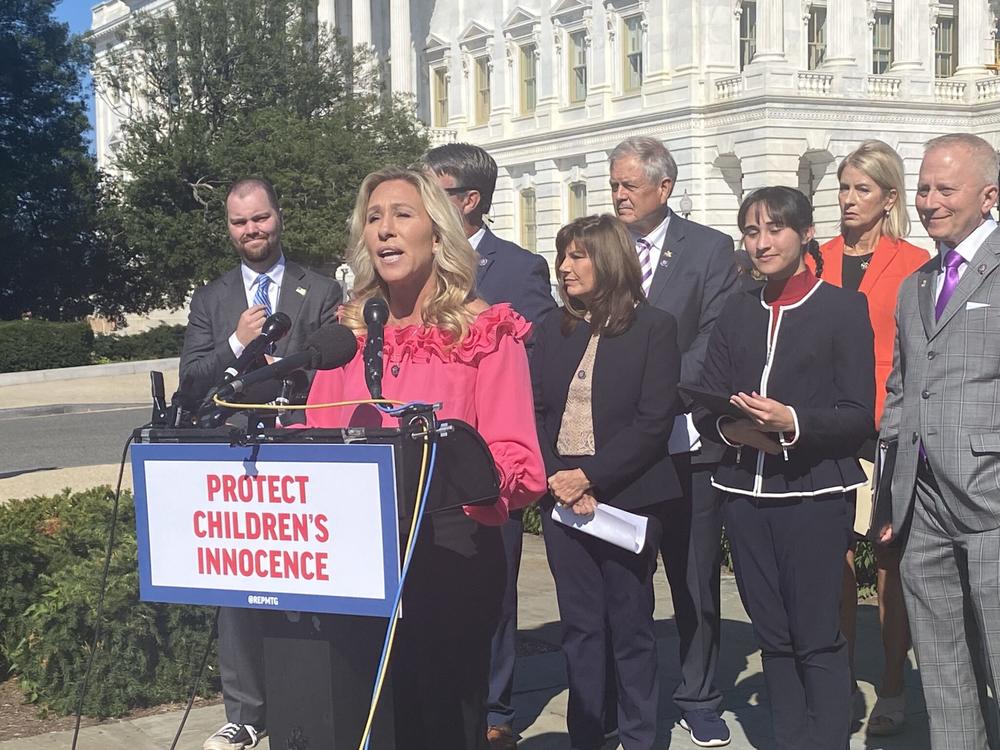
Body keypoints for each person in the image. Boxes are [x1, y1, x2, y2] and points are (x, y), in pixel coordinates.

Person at [304, 166, 547, 749]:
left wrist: (465, 477)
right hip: (358, 557)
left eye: (401, 215)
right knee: (368, 720)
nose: (385, 230)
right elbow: (314, 434)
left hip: (449, 553)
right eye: (373, 218)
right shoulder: (347, 334)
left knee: (439, 724)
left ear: (437, 234)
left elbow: (519, 460)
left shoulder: (486, 331)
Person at [696, 186, 875, 750]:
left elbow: (856, 415)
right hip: (743, 495)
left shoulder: (842, 308)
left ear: (804, 234)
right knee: (773, 637)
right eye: (751, 231)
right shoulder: (735, 309)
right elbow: (707, 403)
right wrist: (737, 429)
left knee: (817, 637)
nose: (762, 242)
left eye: (774, 229)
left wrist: (791, 420)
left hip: (814, 494)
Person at [179, 177, 342, 750]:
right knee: (238, 581)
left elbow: (336, 370)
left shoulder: (320, 290)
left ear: (278, 216)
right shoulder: (212, 299)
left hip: (302, 452)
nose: (251, 230)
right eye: (239, 222)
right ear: (229, 227)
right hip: (234, 457)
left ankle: (310, 700)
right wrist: (233, 343)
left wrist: (284, 367)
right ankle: (245, 713)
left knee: (305, 577)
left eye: (260, 219)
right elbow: (192, 379)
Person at [421, 142, 555, 749]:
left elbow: (533, 354)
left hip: (488, 458)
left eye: (434, 192)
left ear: (468, 201)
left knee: (494, 590)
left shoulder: (518, 268)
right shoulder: (414, 266)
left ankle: (496, 704)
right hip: (422, 461)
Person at [531, 214, 681, 750]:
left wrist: (590, 477)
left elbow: (653, 421)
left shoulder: (654, 327)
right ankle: (588, 733)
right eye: (562, 255)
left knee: (630, 624)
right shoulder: (553, 327)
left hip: (628, 496)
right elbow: (540, 410)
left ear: (610, 260)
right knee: (580, 626)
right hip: (562, 498)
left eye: (578, 256)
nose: (565, 267)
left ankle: (640, 736)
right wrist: (560, 477)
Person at [608, 136, 738, 748]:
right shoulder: (603, 247)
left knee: (693, 577)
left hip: (688, 439)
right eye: (614, 184)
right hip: (618, 440)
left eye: (629, 184)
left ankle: (699, 694)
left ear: (665, 187)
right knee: (620, 576)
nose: (619, 194)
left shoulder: (711, 251)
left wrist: (655, 390)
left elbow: (715, 337)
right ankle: (623, 698)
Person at [877, 133, 1000, 750]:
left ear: (988, 196)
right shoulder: (917, 284)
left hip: (991, 504)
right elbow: (902, 394)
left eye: (944, 189)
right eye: (923, 188)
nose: (928, 201)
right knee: (943, 672)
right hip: (921, 507)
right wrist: (889, 496)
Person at [810, 140, 928, 735]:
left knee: (887, 557)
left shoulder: (912, 262)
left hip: (887, 426)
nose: (849, 199)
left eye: (862, 189)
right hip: (823, 424)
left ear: (889, 199)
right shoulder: (815, 256)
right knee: (831, 558)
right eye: (844, 187)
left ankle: (892, 685)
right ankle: (835, 683)